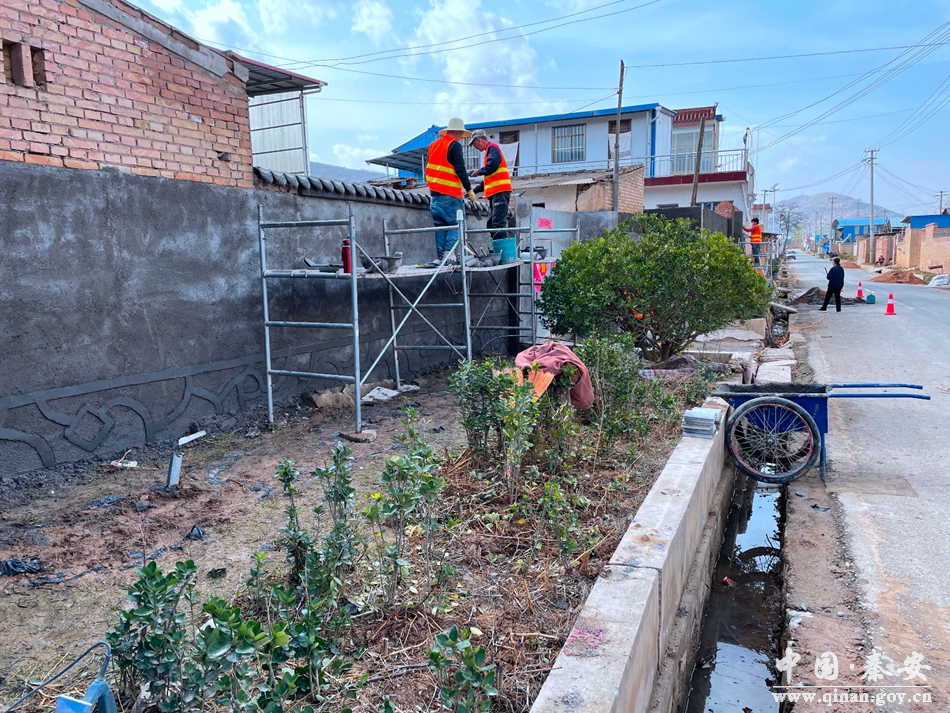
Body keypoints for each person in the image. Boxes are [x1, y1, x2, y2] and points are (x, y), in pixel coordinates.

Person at [424, 117, 477, 267]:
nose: (461, 137)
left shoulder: (433, 145)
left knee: (441, 227)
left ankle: (441, 258)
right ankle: (449, 254)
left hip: (435, 196)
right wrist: (469, 189)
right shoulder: (454, 145)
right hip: (451, 194)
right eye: (461, 134)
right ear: (458, 132)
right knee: (457, 224)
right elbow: (460, 169)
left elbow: (428, 169)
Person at [468, 129, 512, 242]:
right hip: (496, 193)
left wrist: (478, 172)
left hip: (500, 191)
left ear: (478, 140)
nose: (475, 147)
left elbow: (492, 166)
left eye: (474, 144)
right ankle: (498, 247)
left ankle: (503, 249)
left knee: (498, 223)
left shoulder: (492, 148)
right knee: (492, 224)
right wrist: (474, 190)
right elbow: (488, 179)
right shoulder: (489, 151)